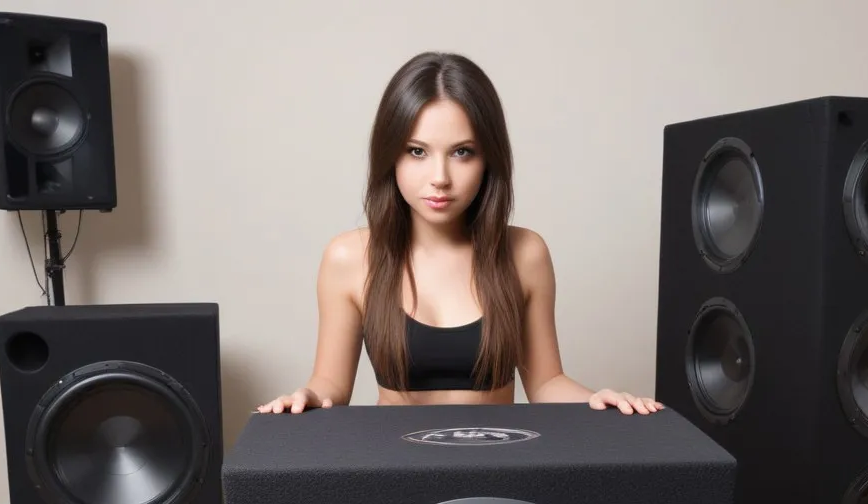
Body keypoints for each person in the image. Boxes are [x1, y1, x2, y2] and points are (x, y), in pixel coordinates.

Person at [258, 51, 663, 417]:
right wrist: (308, 396)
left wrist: (599, 400)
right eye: (417, 151)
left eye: (462, 152)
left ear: (489, 160)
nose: (440, 178)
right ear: (390, 157)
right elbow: (332, 385)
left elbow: (545, 382)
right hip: (395, 470)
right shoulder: (349, 258)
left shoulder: (525, 253)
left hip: (498, 466)